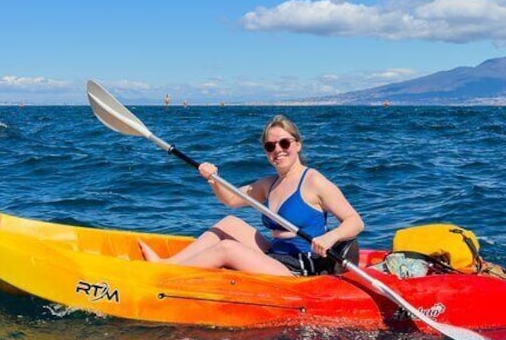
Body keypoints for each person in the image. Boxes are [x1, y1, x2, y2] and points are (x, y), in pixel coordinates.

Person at [138, 115, 364, 276]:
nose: (278, 150)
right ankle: (167, 264)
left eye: (284, 143)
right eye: (270, 146)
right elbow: (231, 200)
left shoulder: (314, 181)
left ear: (298, 145)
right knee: (229, 223)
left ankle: (166, 277)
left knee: (228, 249)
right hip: (276, 255)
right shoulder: (269, 183)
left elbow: (355, 222)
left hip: (302, 266)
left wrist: (329, 238)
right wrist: (213, 178)